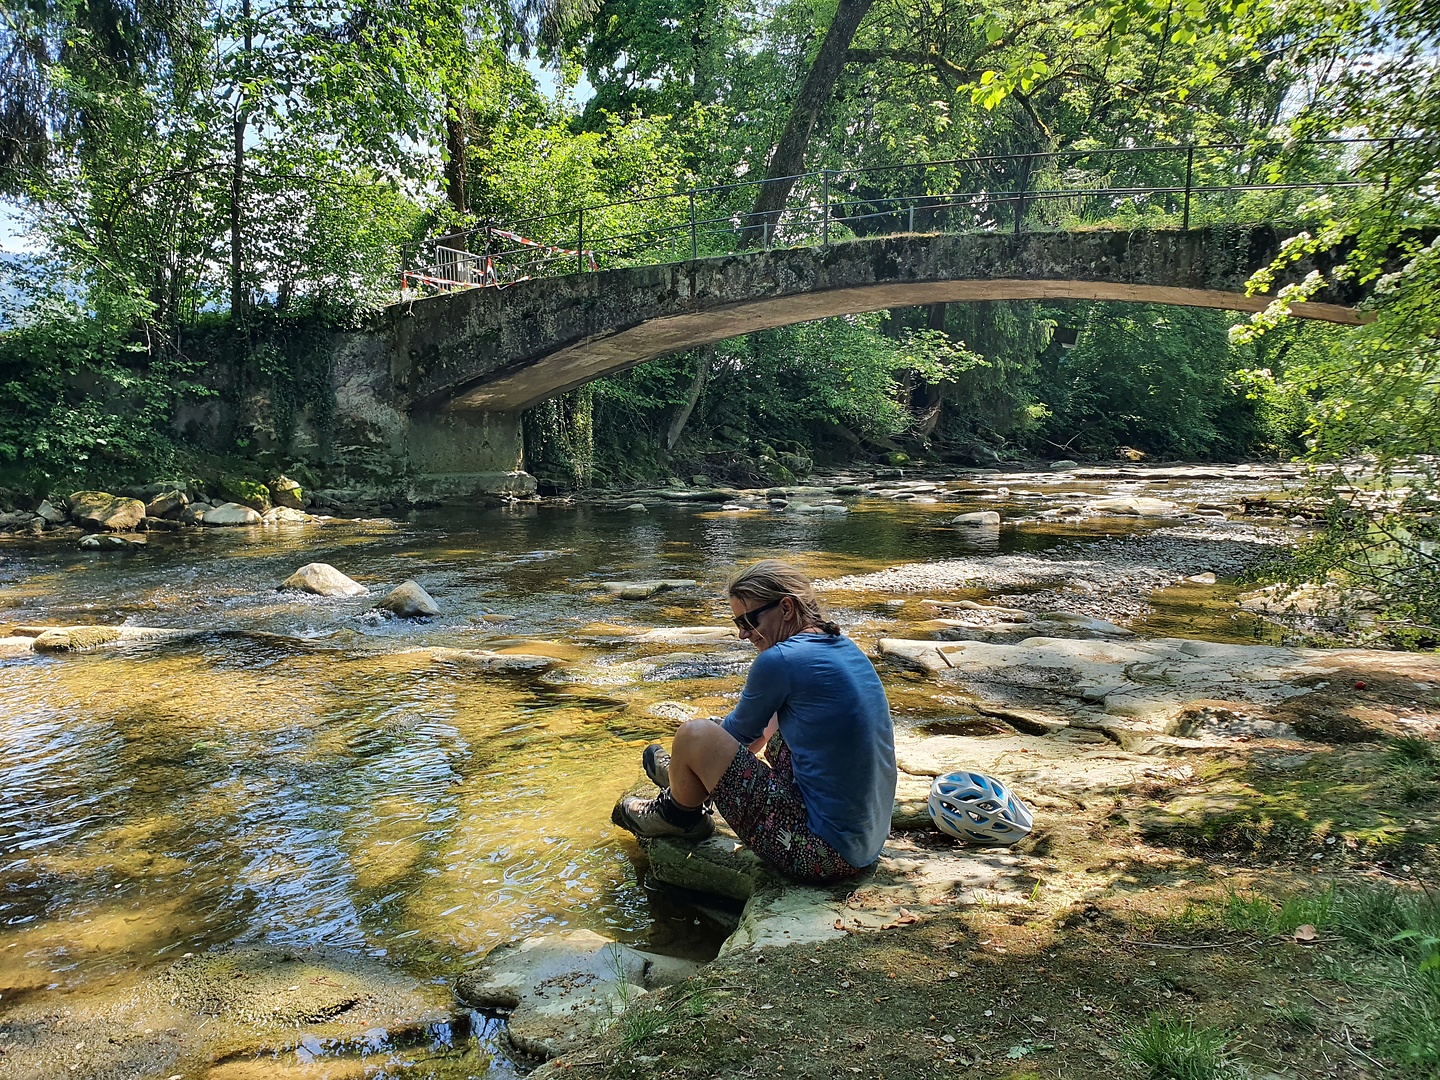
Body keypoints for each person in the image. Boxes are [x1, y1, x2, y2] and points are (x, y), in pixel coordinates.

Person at [612, 559, 896, 884]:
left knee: (694, 735)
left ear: (786, 608)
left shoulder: (779, 660)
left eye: (749, 620)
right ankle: (684, 781)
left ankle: (679, 813)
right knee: (758, 720)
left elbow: (737, 737)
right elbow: (757, 735)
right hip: (865, 841)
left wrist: (697, 758)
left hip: (823, 854)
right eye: (738, 622)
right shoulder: (844, 646)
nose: (742, 633)